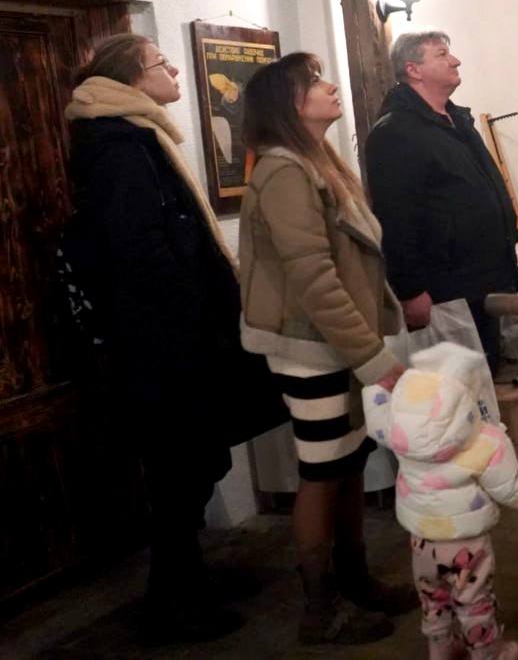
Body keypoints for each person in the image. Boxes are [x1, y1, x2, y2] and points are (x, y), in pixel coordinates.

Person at [63, 34, 250, 641]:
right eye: (159, 62)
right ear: (131, 79)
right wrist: (192, 319)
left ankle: (186, 584)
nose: (172, 68)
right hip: (163, 345)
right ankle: (171, 604)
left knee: (189, 467)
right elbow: (140, 251)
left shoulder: (135, 137)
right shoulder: (119, 148)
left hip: (173, 338)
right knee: (178, 472)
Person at [239, 52, 416, 644]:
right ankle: (320, 609)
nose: (330, 86)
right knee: (322, 471)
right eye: (313, 82)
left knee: (349, 461)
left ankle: (355, 580)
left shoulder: (316, 160)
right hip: (310, 346)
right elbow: (314, 279)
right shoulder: (283, 170)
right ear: (287, 104)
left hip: (337, 342)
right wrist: (373, 358)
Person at [364, 342, 518, 660]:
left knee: (433, 597)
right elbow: (512, 487)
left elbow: (375, 406)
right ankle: (487, 653)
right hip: (466, 545)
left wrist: (378, 380)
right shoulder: (484, 441)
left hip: (421, 540)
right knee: (474, 601)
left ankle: (440, 649)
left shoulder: (395, 429)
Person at [366, 31, 518, 377]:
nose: (455, 61)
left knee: (484, 381)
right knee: (454, 389)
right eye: (442, 54)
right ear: (414, 69)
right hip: (448, 288)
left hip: (485, 278)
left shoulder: (457, 120)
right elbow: (395, 218)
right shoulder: (396, 132)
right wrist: (410, 290)